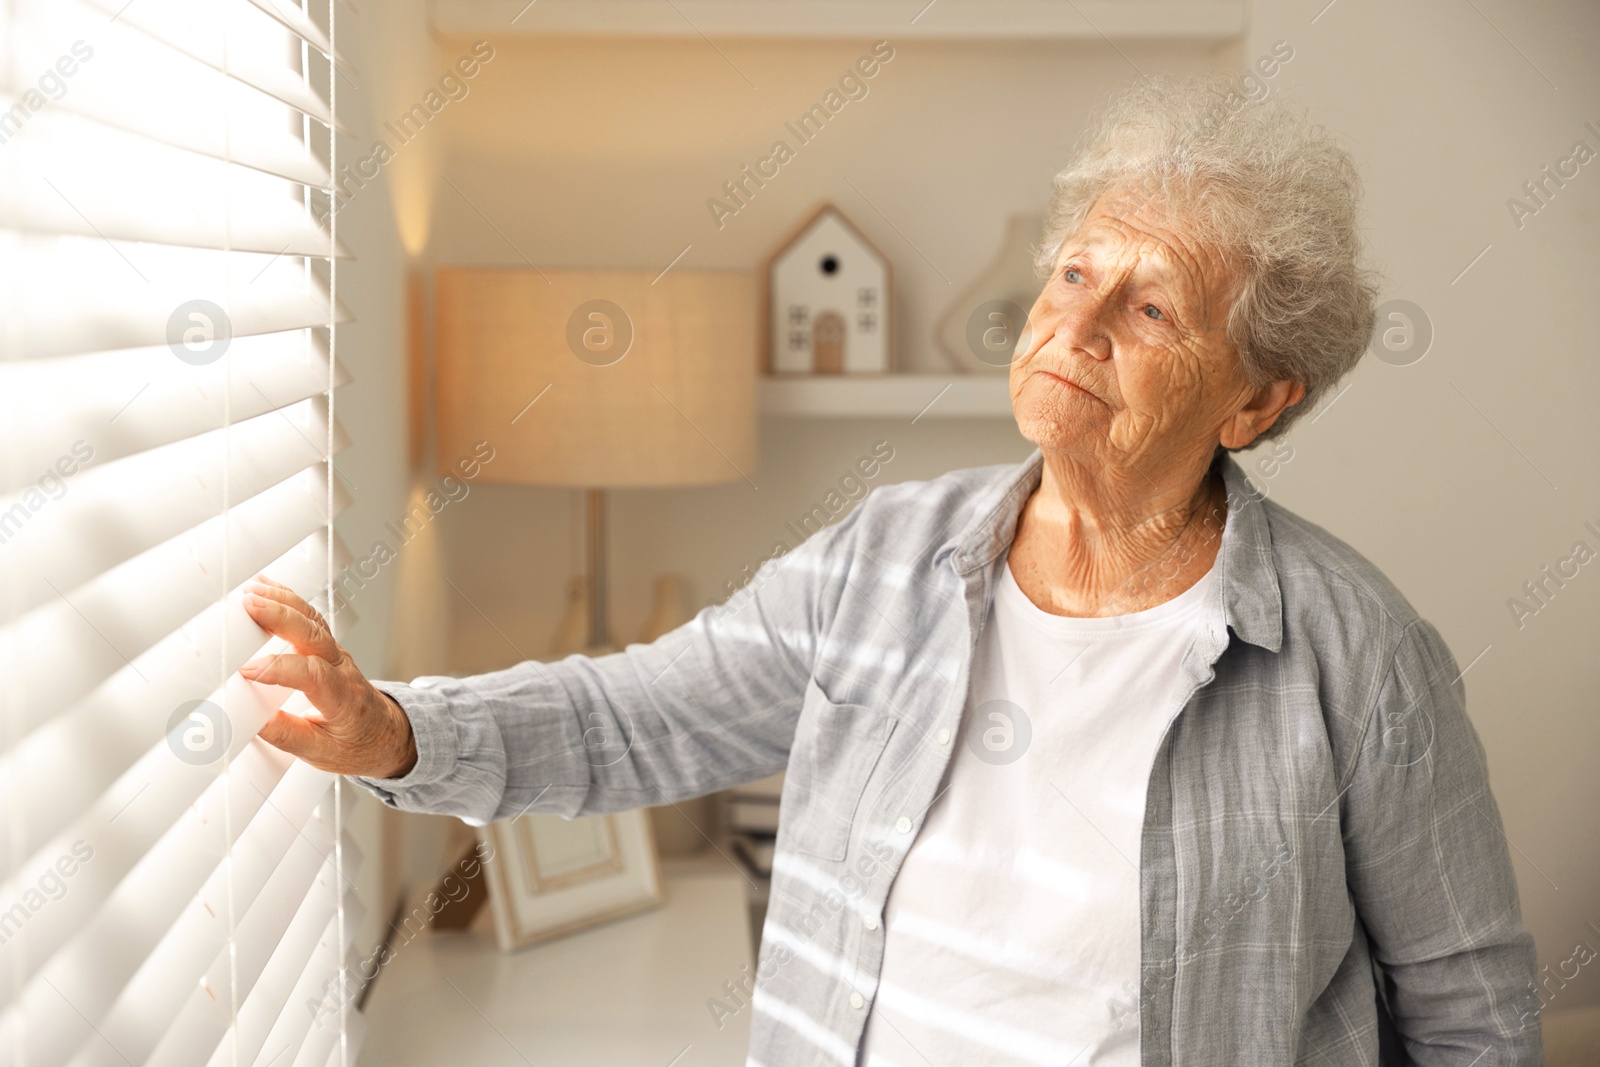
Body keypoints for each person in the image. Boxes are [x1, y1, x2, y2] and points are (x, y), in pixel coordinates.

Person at [241, 76, 1542, 1065]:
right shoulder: (885, 557)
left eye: (1148, 309)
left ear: (1256, 402)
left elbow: (1468, 1012)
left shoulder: (1357, 656)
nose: (1069, 326)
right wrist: (396, 731)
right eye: (1074, 272)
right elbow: (641, 716)